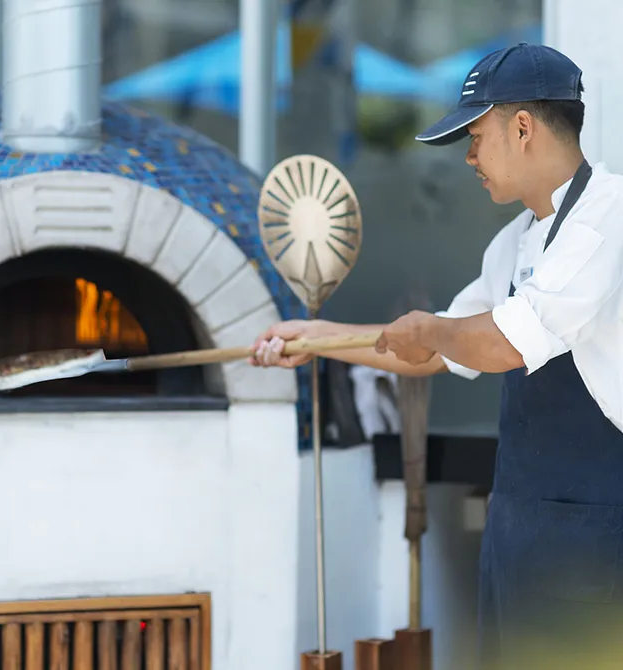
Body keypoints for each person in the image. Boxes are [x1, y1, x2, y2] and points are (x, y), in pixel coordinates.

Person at [251, 43, 623, 669]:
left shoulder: (608, 220)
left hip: (593, 539)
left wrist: (430, 329)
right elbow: (436, 351)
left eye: (475, 136)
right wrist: (315, 338)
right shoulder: (512, 243)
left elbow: (501, 343)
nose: (471, 158)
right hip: (517, 532)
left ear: (523, 127)